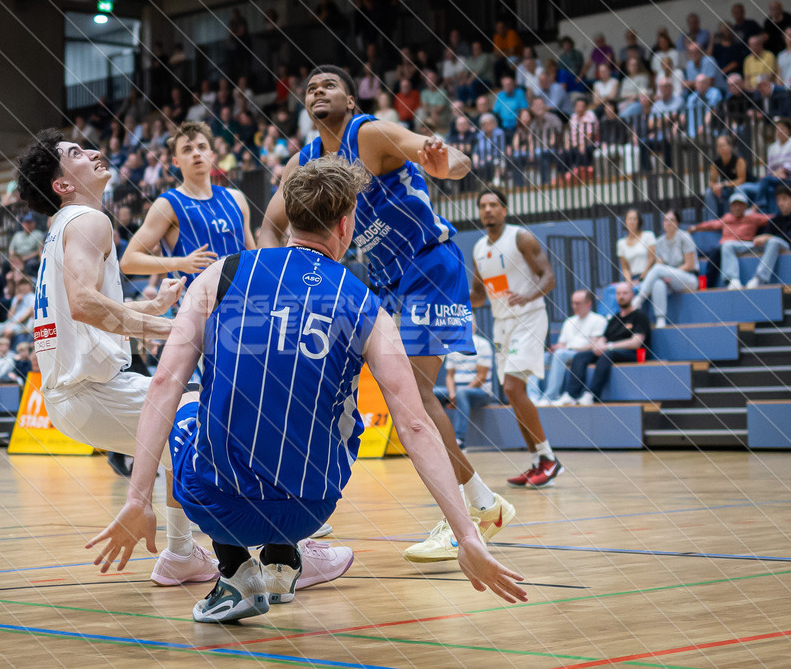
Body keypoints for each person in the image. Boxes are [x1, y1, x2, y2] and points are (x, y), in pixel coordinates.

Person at [86, 155, 527, 623]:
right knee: (339, 412)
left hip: (219, 508)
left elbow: (163, 382)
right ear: (345, 224)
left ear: (290, 217)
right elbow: (415, 424)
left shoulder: (224, 273)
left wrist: (137, 500)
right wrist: (468, 535)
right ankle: (283, 558)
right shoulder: (366, 304)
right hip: (310, 507)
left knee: (190, 401)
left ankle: (234, 572)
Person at [16, 130, 351, 590]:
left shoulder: (63, 228)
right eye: (76, 154)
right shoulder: (89, 220)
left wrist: (152, 309)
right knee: (220, 424)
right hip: (90, 390)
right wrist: (175, 330)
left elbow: (83, 307)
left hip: (75, 395)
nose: (94, 152)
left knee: (188, 437)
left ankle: (182, 555)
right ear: (62, 184)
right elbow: (83, 305)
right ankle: (283, 557)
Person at [259, 66, 516, 562]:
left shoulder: (369, 134)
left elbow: (452, 159)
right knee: (338, 385)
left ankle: (472, 508)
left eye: (328, 85)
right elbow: (270, 224)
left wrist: (446, 165)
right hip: (384, 284)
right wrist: (277, 272)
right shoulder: (305, 162)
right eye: (310, 87)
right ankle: (480, 502)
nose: (317, 90)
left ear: (351, 101)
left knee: (414, 395)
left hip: (429, 265)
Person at [470, 189, 560, 486]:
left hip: (529, 317)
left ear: (505, 210)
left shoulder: (521, 237)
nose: (488, 210)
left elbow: (549, 277)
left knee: (513, 385)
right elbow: (479, 297)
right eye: (483, 205)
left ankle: (549, 458)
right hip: (501, 325)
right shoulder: (479, 248)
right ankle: (537, 462)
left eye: (494, 204)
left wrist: (528, 296)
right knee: (511, 392)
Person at [119, 122, 254, 286]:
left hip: (243, 303)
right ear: (175, 162)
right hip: (197, 306)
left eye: (202, 147)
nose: (196, 153)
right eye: (187, 149)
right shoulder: (167, 204)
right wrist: (180, 263)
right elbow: (128, 261)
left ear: (211, 155)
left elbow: (253, 256)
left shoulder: (237, 198)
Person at [562, 283, 650, 406]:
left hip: (634, 353)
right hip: (611, 350)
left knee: (607, 354)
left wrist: (609, 346)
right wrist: (599, 345)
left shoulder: (639, 316)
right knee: (580, 357)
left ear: (632, 295)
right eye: (618, 294)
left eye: (625, 293)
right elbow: (605, 337)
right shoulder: (615, 318)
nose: (621, 296)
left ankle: (591, 395)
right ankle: (572, 395)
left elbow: (636, 342)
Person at [529, 290, 607, 406]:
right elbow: (562, 344)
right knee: (537, 357)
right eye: (573, 303)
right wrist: (555, 348)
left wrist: (567, 350)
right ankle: (533, 397)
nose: (574, 306)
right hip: (567, 351)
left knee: (560, 354)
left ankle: (550, 395)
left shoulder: (599, 320)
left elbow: (594, 345)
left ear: (588, 304)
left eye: (578, 303)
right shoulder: (569, 321)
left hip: (581, 353)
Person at [690, 190, 772, 288]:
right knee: (702, 253)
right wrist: (696, 227)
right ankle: (705, 285)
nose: (737, 208)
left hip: (743, 247)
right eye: (734, 205)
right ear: (730, 207)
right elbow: (712, 224)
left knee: (720, 250)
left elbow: (772, 218)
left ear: (745, 206)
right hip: (723, 248)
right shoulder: (727, 218)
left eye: (740, 205)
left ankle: (718, 283)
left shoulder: (753, 217)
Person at [632, 210, 699, 328]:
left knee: (658, 269)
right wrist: (667, 274)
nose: (668, 223)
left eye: (671, 220)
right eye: (665, 220)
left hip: (689, 279)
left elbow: (690, 265)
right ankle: (660, 320)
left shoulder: (685, 237)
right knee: (658, 283)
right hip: (668, 279)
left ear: (677, 223)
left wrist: (670, 273)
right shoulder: (659, 241)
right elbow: (660, 264)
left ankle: (639, 299)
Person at [438, 332, 495, 450]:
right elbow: (449, 376)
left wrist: (457, 396)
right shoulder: (453, 345)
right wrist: (452, 394)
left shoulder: (483, 344)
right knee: (431, 393)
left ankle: (459, 441)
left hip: (480, 393)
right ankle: (434, 439)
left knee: (461, 393)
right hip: (457, 392)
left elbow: (482, 376)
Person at [747, 185, 791, 287]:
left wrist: (768, 237)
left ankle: (760, 278)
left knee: (773, 241)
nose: (781, 203)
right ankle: (733, 280)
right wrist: (759, 239)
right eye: (778, 200)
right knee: (730, 245)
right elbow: (765, 235)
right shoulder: (774, 220)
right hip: (771, 246)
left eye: (785, 199)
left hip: (786, 247)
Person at [703, 135, 749, 221]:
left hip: (741, 186)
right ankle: (711, 221)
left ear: (730, 147)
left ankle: (732, 220)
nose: (720, 148)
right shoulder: (716, 162)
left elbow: (742, 180)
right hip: (726, 188)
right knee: (709, 192)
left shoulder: (739, 160)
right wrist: (715, 186)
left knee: (738, 189)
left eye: (723, 145)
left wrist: (724, 184)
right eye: (718, 146)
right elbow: (711, 182)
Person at [616, 208, 656, 285]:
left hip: (648, 276)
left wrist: (640, 279)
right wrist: (629, 282)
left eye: (634, 219)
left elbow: (652, 260)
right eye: (629, 219)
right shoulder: (621, 243)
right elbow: (625, 268)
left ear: (639, 221)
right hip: (633, 279)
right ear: (625, 221)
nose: (632, 222)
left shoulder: (648, 236)